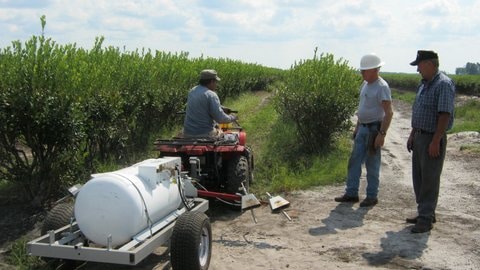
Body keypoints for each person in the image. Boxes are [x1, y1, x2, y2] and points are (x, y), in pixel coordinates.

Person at [335, 53, 393, 207]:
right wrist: (357, 127)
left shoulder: (382, 87)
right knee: (354, 162)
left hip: (374, 129)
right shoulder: (365, 84)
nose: (362, 73)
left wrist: (382, 134)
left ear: (375, 70)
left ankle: (372, 196)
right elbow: (363, 108)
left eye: (364, 70)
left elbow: (389, 113)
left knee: (372, 164)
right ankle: (351, 193)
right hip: (363, 129)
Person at [406, 50, 455, 233]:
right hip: (420, 136)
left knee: (430, 179)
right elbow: (419, 112)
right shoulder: (424, 85)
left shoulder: (443, 84)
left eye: (419, 65)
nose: (417, 69)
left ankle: (425, 219)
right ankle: (425, 213)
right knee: (418, 178)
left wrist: (435, 140)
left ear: (429, 64)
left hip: (432, 137)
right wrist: (412, 134)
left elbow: (444, 114)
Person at [183, 69, 237, 138]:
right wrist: (232, 118)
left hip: (187, 133)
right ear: (211, 81)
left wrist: (221, 107)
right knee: (220, 130)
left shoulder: (192, 91)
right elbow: (220, 119)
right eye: (216, 82)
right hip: (205, 134)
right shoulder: (211, 94)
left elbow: (202, 104)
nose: (216, 84)